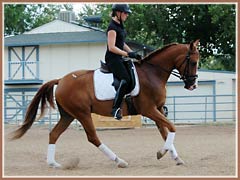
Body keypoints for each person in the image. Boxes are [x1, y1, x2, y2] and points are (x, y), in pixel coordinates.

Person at [105, 4, 141, 120]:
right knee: (126, 79)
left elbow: (122, 43)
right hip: (112, 59)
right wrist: (127, 54)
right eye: (125, 13)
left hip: (119, 57)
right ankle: (115, 109)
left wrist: (132, 53)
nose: (127, 15)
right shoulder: (112, 27)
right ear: (118, 13)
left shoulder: (120, 26)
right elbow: (111, 47)